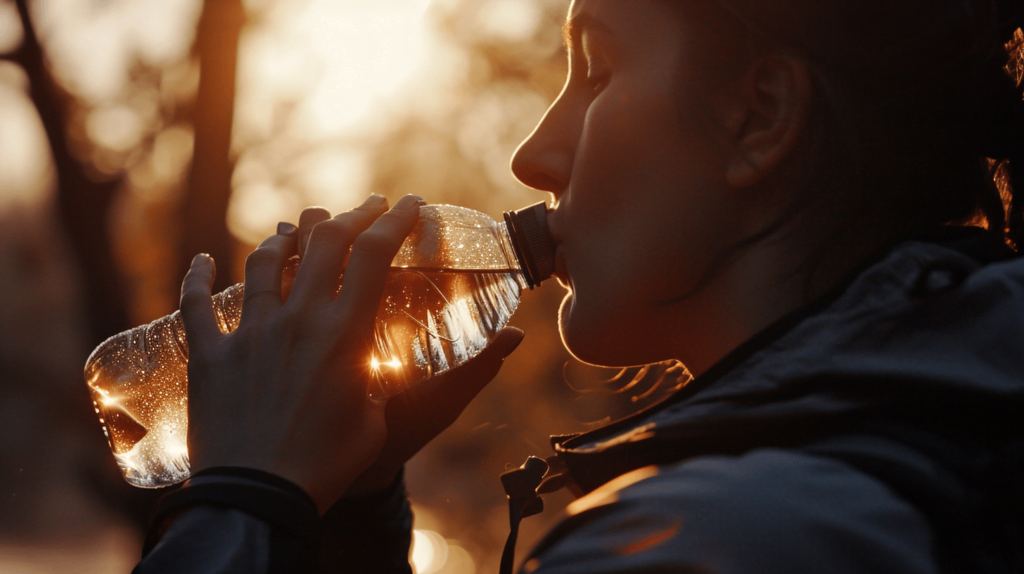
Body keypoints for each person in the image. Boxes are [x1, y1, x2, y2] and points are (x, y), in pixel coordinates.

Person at [134, 0, 1024, 572]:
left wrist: (244, 499)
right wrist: (347, 514)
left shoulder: (714, 542)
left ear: (760, 119)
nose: (533, 156)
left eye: (597, 71)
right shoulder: (933, 438)